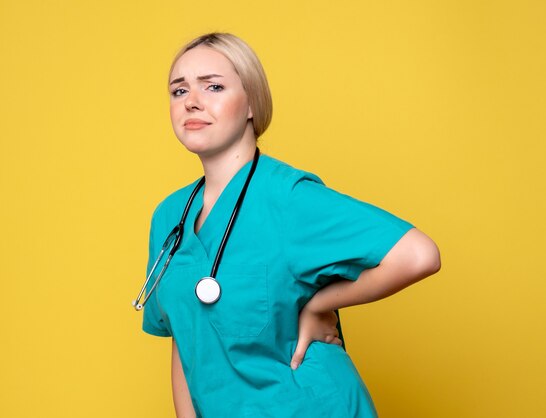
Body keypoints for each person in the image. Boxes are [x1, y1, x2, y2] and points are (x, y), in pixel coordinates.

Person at [136, 32, 441, 418]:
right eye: (179, 92)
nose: (192, 101)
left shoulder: (290, 198)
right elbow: (186, 339)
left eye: (213, 86)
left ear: (251, 103)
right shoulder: (170, 217)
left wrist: (318, 304)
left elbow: (419, 254)